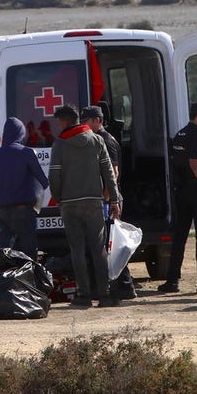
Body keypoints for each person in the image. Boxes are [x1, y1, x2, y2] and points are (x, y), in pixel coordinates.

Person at [49, 104, 122, 308]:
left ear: (64, 121)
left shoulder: (60, 144)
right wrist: (114, 199)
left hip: (69, 204)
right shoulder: (96, 140)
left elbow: (54, 176)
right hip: (93, 202)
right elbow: (109, 173)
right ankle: (104, 294)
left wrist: (58, 198)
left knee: (77, 250)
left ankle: (83, 294)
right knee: (99, 249)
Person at [158, 100, 197, 294]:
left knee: (180, 237)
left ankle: (172, 281)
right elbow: (195, 164)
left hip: (182, 192)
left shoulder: (180, 134)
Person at [81, 105, 137, 300]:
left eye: (87, 121)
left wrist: (107, 199)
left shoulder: (106, 140)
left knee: (112, 245)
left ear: (98, 121)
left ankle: (125, 286)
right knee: (107, 245)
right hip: (106, 199)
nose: (84, 125)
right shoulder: (96, 139)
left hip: (110, 200)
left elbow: (114, 171)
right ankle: (120, 285)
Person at [0, 116, 50, 260]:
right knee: (29, 252)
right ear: (21, 133)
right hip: (24, 211)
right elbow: (44, 181)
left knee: (4, 253)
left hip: (2, 212)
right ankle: (30, 274)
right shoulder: (26, 153)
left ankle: (4, 275)